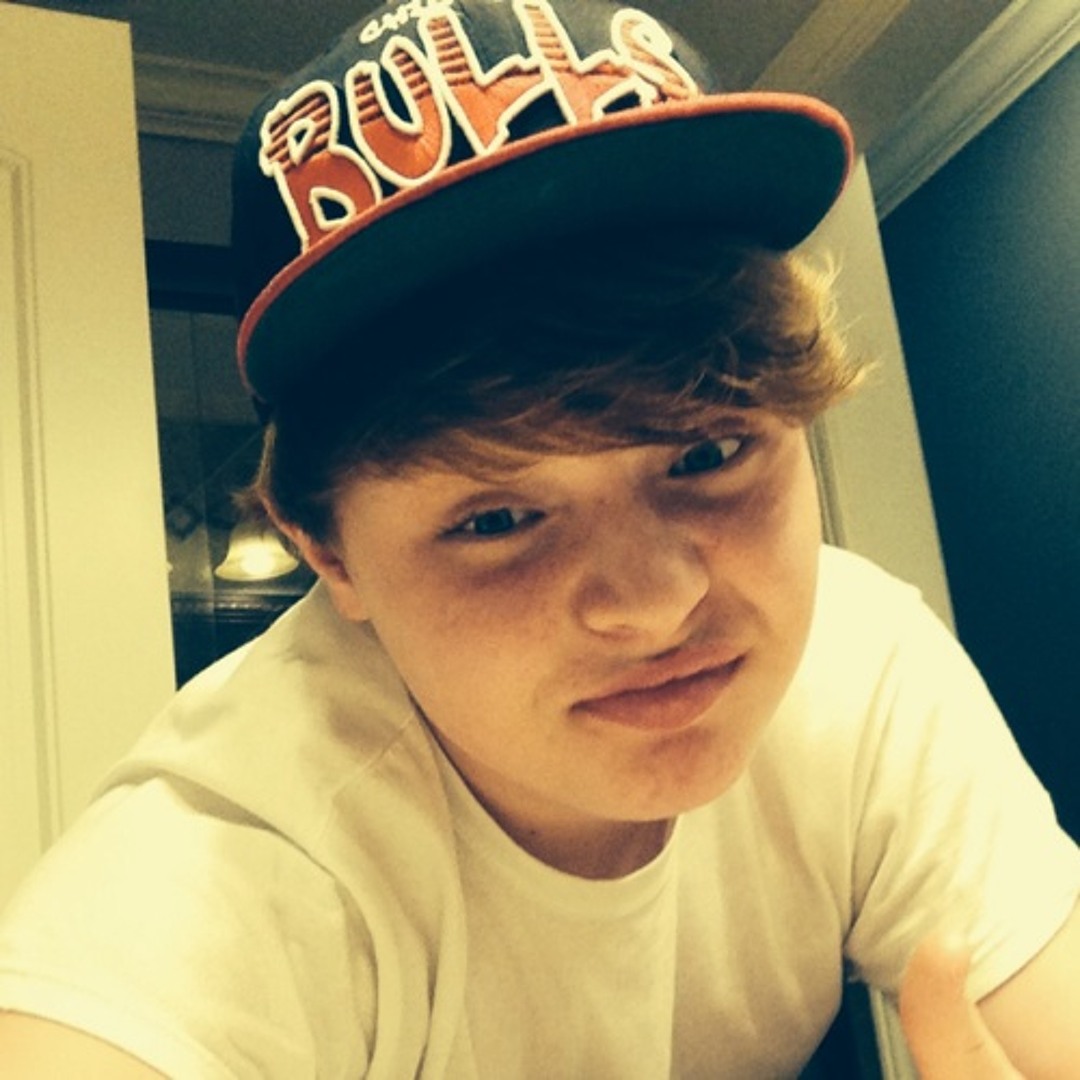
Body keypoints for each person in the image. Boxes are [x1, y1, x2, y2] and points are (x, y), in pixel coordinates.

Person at [1, 0, 1077, 1076]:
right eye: (497, 519)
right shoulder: (236, 858)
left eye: (707, 453)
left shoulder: (859, 667)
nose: (654, 602)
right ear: (328, 552)